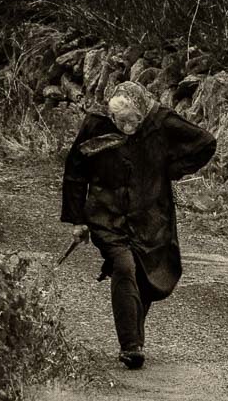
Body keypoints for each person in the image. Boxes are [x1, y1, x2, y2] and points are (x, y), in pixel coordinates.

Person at [59, 80, 217, 369]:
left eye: (134, 123)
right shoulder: (97, 124)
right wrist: (78, 221)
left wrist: (172, 169)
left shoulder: (160, 120)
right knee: (123, 266)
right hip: (106, 214)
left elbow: (206, 142)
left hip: (151, 216)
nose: (128, 129)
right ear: (112, 116)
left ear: (142, 114)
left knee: (146, 277)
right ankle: (130, 345)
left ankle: (135, 342)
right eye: (122, 123)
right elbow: (75, 171)